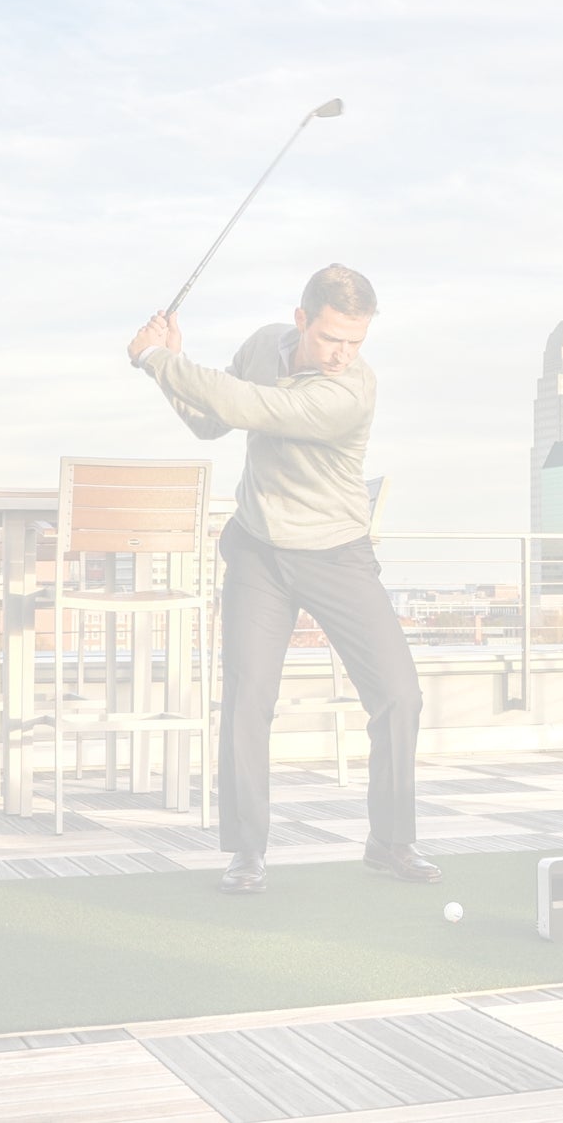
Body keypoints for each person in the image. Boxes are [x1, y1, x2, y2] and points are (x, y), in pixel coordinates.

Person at [125, 264, 438, 893]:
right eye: (331, 338)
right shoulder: (264, 345)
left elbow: (251, 406)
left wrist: (156, 358)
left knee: (399, 696)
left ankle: (390, 842)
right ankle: (247, 853)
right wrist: (168, 367)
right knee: (247, 701)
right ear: (301, 320)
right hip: (260, 553)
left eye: (356, 341)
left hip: (336, 555)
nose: (343, 354)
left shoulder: (350, 391)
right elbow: (211, 421)